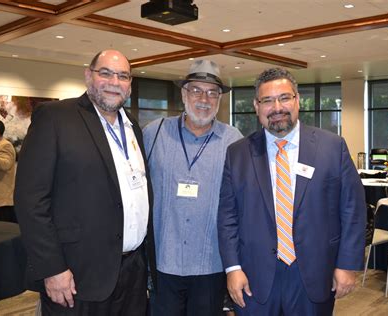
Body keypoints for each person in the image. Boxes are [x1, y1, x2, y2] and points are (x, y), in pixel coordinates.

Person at [14, 50, 156, 316]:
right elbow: (30, 201)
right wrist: (52, 268)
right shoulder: (56, 117)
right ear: (88, 75)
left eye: (123, 76)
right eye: (106, 73)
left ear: (130, 84)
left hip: (132, 273)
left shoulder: (132, 127)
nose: (115, 82)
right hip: (77, 276)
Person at [218, 68, 366, 316]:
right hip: (254, 277)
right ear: (256, 106)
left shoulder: (332, 147)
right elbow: (227, 217)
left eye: (284, 97)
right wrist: (233, 268)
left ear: (298, 100)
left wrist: (347, 264)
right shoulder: (237, 153)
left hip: (316, 273)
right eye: (267, 100)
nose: (277, 107)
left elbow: (352, 209)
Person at [143, 59, 242, 316]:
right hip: (163, 263)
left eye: (212, 93)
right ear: (184, 93)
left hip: (210, 263)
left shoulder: (233, 141)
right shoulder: (154, 134)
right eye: (196, 90)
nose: (204, 99)